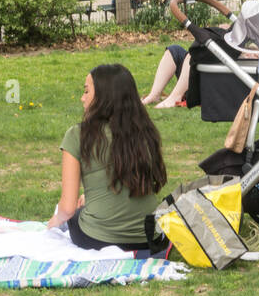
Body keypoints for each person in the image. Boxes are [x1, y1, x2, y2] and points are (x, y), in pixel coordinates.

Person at [47, 64, 168, 251]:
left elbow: (67, 208)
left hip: (96, 238)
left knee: (74, 215)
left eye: (86, 92)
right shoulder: (146, 133)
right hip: (149, 238)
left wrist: (55, 221)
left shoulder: (78, 135)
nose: (82, 98)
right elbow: (126, 176)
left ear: (104, 97)